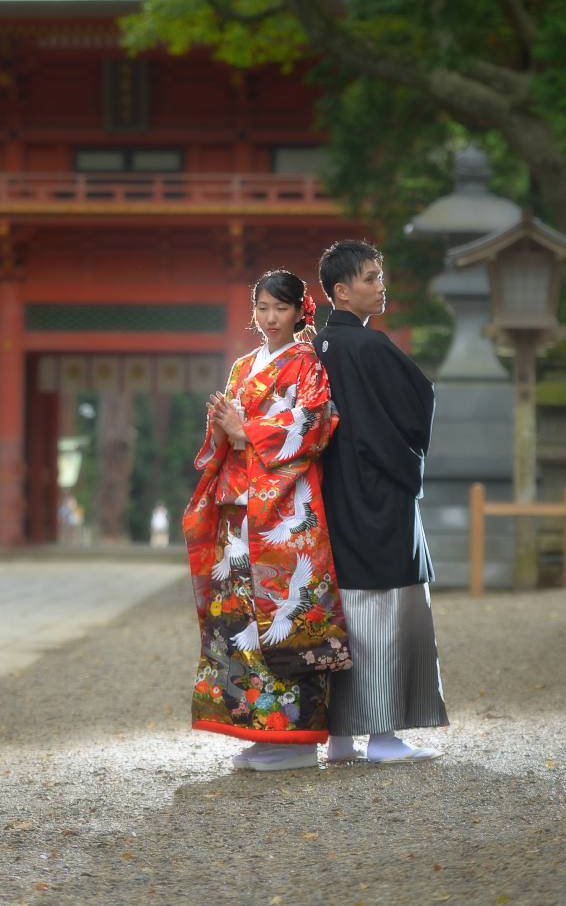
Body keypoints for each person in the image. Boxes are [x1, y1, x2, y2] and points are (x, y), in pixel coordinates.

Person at [183, 270, 351, 773]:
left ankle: (296, 740)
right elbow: (224, 439)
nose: (270, 318)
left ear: (301, 311)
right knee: (239, 622)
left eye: (280, 308)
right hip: (239, 511)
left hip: (285, 509)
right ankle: (260, 730)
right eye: (262, 308)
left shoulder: (308, 364)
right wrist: (223, 430)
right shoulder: (241, 367)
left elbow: (315, 424)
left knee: (283, 616)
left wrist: (244, 430)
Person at [313, 239, 449, 764]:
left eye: (379, 275)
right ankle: (386, 737)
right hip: (378, 498)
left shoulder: (315, 350)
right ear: (342, 292)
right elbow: (417, 409)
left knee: (339, 615)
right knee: (388, 610)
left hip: (329, 497)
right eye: (369, 278)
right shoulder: (372, 347)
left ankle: (339, 737)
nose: (379, 285)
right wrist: (406, 468)